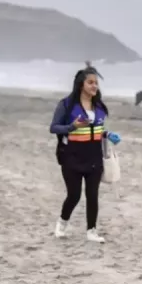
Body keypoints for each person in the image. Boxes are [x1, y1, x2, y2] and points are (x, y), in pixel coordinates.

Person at [49, 68, 122, 243]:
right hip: (71, 156)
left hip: (94, 157)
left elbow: (96, 129)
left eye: (96, 83)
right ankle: (62, 223)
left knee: (93, 195)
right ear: (81, 84)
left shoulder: (99, 107)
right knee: (74, 195)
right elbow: (53, 128)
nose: (94, 86)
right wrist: (72, 127)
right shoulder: (66, 105)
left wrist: (107, 134)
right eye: (90, 82)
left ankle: (91, 231)